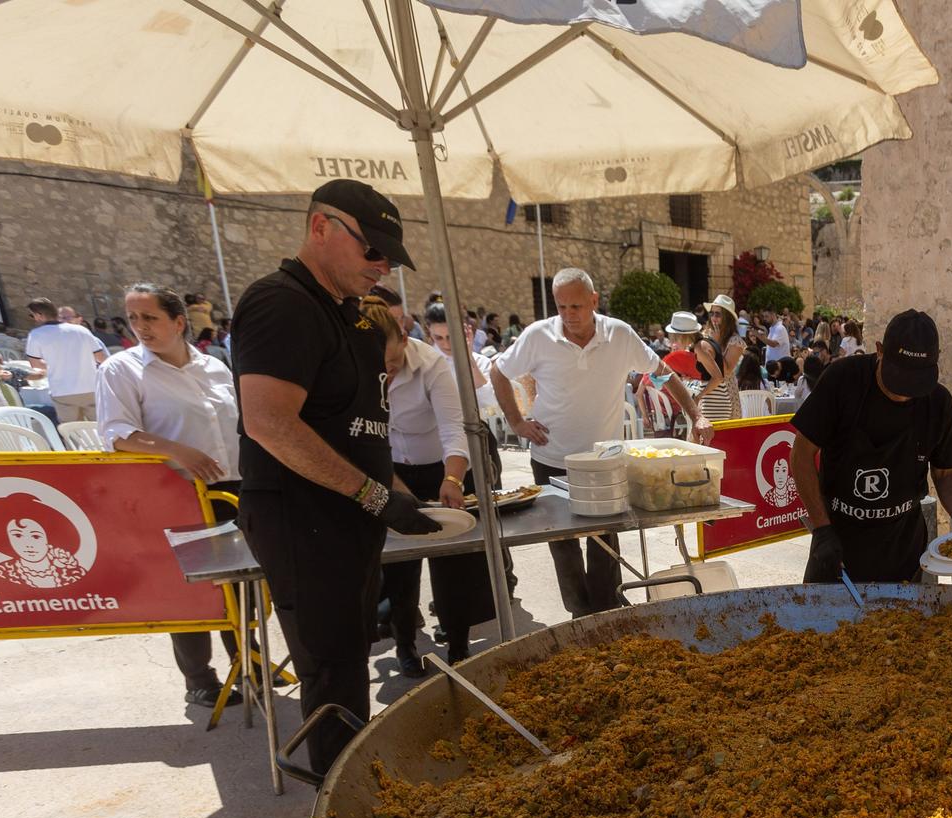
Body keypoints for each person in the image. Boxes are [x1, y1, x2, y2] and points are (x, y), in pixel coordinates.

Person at [234, 179, 436, 776]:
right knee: (328, 666)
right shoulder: (282, 302)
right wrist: (375, 496)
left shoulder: (352, 316)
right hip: (303, 517)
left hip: (349, 516)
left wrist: (395, 494)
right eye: (371, 250)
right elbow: (269, 423)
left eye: (389, 256)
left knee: (349, 657)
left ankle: (352, 782)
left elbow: (359, 430)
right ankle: (335, 794)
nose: (381, 267)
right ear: (320, 227)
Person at [490, 267, 713, 617]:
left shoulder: (620, 335)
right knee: (562, 543)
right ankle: (580, 615)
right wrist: (517, 421)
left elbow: (662, 374)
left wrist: (695, 413)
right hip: (550, 456)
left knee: (604, 539)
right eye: (561, 307)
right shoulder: (538, 336)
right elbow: (498, 371)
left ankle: (606, 610)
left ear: (594, 301)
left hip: (603, 459)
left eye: (576, 307)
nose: (568, 315)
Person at [96, 283, 244, 708]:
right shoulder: (121, 370)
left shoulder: (214, 366)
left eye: (150, 318)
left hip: (233, 487)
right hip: (177, 492)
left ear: (179, 322)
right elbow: (115, 434)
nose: (141, 327)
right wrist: (177, 451)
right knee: (191, 589)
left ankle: (248, 663)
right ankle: (199, 678)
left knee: (243, 584)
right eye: (134, 318)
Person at [789, 309, 952, 584]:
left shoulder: (938, 403)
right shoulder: (842, 380)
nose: (904, 392)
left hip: (904, 552)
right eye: (899, 378)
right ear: (880, 350)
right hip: (837, 548)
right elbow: (801, 454)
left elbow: (945, 474)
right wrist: (822, 530)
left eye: (914, 383)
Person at [362, 296, 493, 673]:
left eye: (390, 362)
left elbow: (456, 429)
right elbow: (368, 441)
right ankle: (404, 645)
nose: (386, 371)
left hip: (440, 466)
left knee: (453, 561)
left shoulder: (432, 365)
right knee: (401, 565)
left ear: (404, 339)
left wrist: (452, 478)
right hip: (385, 467)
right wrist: (396, 490)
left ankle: (457, 643)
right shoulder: (358, 367)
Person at [23, 298, 109, 421]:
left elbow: (35, 364)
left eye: (32, 315)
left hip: (62, 390)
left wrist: (57, 364)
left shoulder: (36, 334)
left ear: (39, 315)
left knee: (73, 433)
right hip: (91, 387)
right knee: (101, 428)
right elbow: (101, 358)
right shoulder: (82, 330)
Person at [696, 296, 743, 422]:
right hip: (706, 390)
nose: (714, 318)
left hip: (724, 394)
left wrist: (715, 343)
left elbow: (726, 370)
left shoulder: (735, 341)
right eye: (712, 313)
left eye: (718, 314)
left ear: (727, 318)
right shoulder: (705, 334)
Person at [660, 311, 706, 381]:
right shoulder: (693, 346)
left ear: (684, 336)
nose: (674, 341)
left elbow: (711, 376)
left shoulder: (701, 347)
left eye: (675, 337)